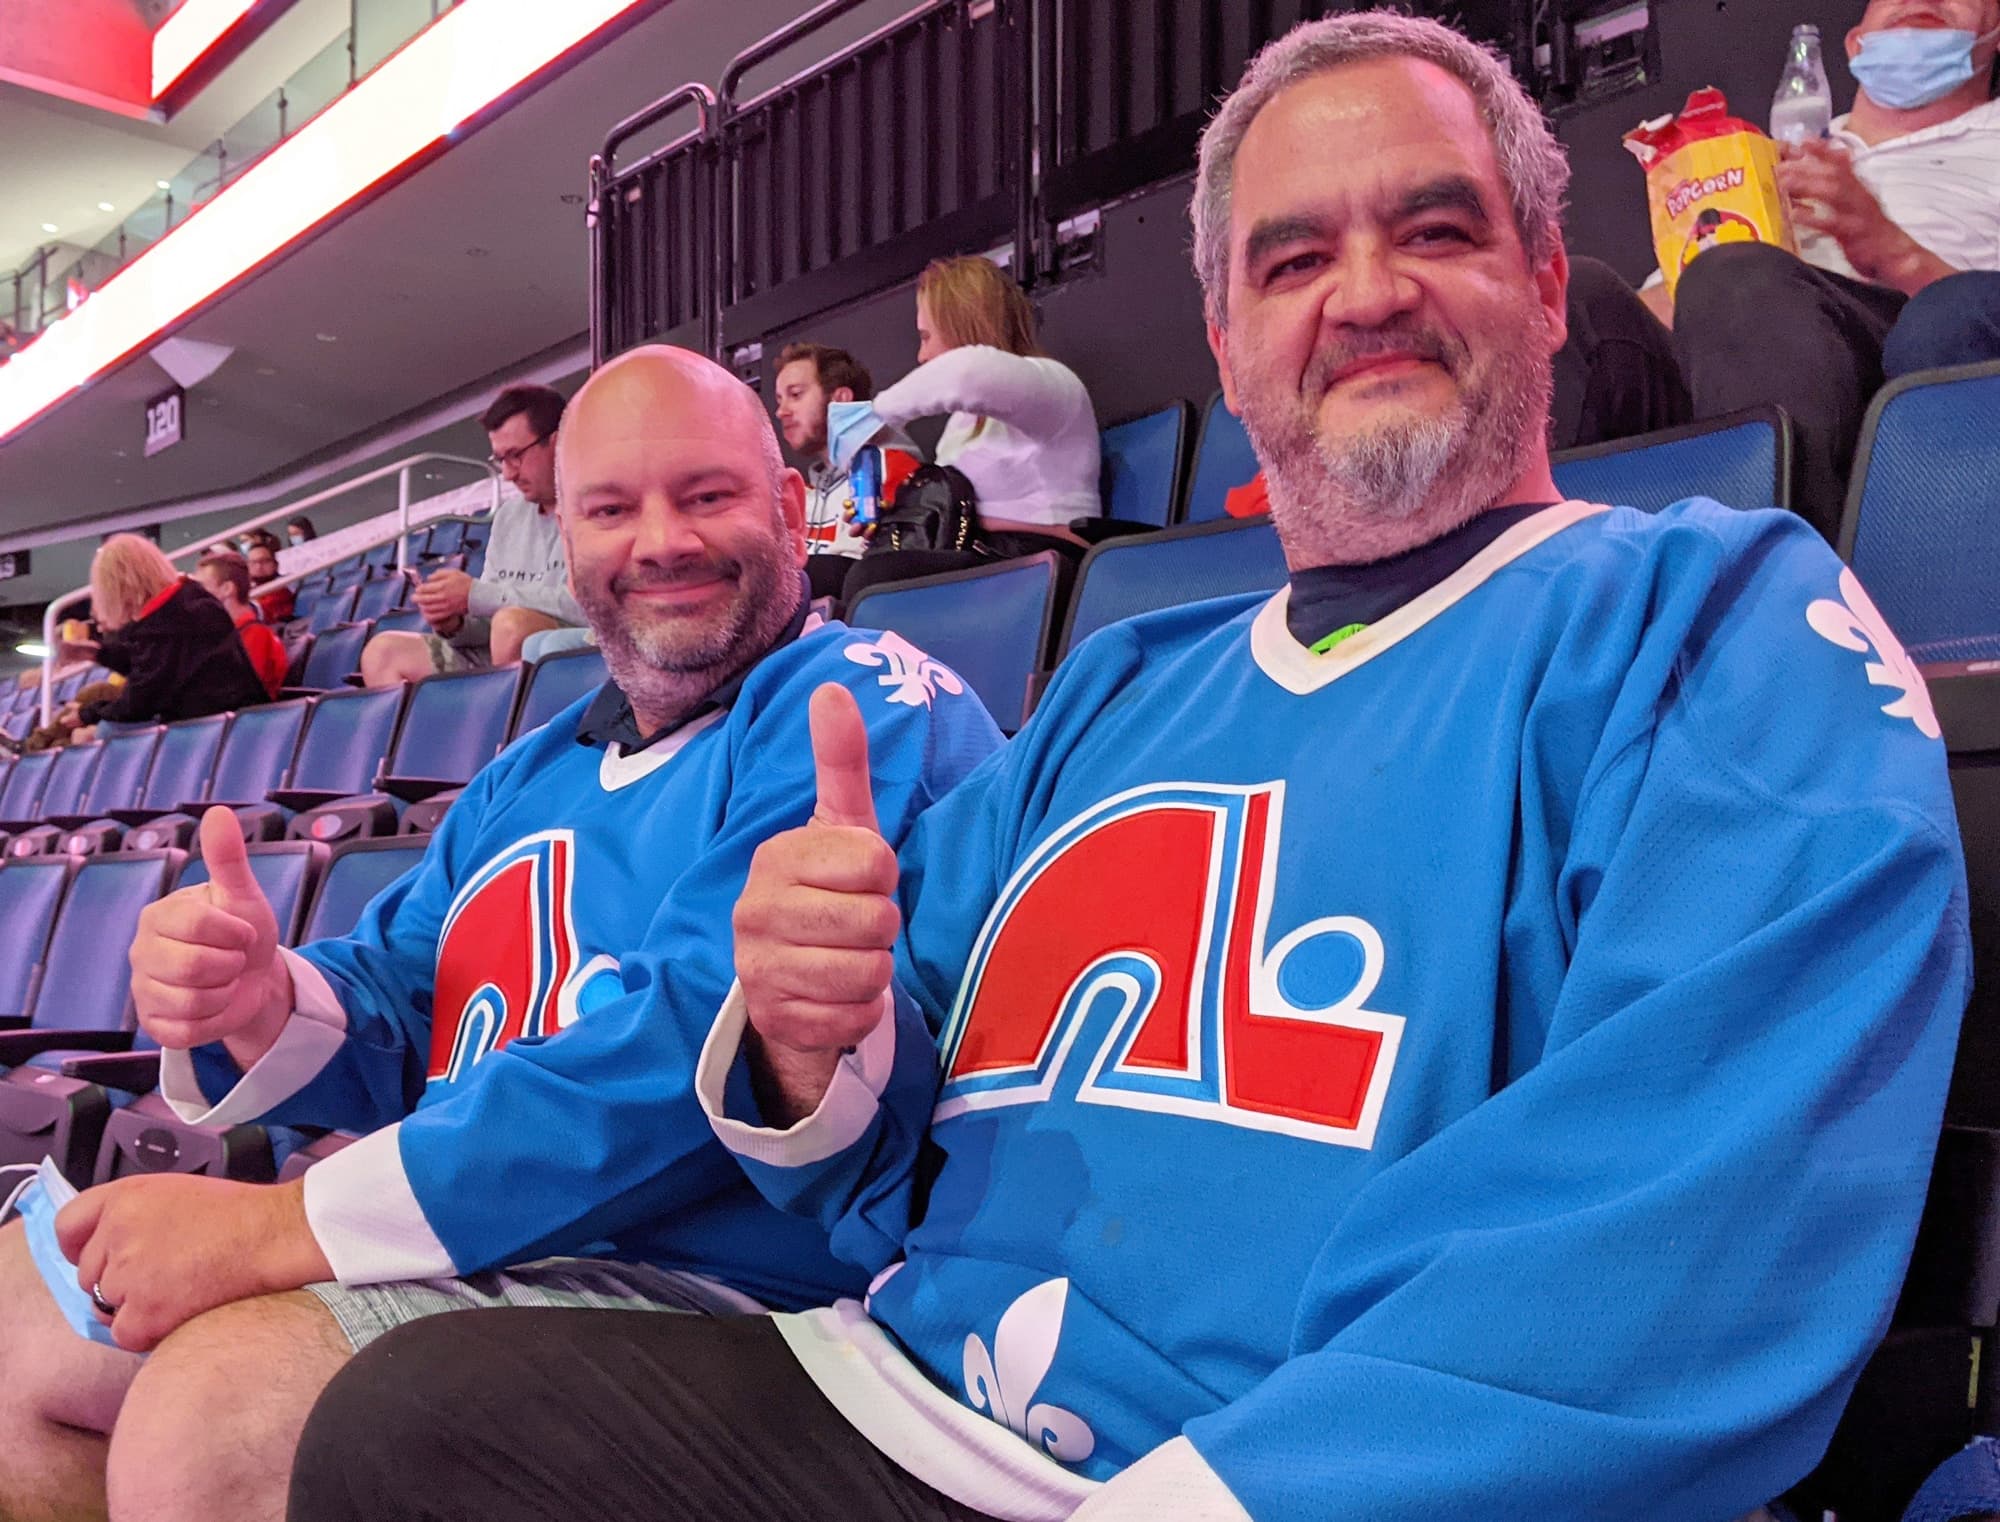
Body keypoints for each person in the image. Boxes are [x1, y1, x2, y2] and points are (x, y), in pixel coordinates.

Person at [293, 14, 1969, 1522]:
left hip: (1302, 1473)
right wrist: (814, 1036)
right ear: (1229, 348)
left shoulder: (1721, 613)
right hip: (912, 1414)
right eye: (1292, 259)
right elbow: (861, 1138)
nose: (1364, 291)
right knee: (401, 1429)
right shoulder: (1115, 689)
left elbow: (1687, 1230)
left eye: (1435, 229)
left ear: (1544, 283)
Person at [0, 347, 1000, 1522]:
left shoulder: (854, 698)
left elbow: (690, 1052)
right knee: (22, 1312)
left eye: (708, 495)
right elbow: (398, 996)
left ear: (788, 507)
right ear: (563, 540)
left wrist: (280, 1228)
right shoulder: (525, 772)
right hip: (494, 1254)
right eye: (611, 509)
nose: (661, 539)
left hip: (737, 1291)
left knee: (219, 1420)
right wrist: (259, 996)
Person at [1658, 0, 2000, 538]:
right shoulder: (1764, 159)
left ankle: (1788, 591)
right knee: (1578, 305)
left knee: (1746, 282)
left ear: (1996, 35)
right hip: (1744, 356)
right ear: (1855, 43)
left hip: (1920, 340)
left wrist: (1893, 250)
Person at [838, 256, 1102, 601]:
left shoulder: (1054, 388)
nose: (921, 355)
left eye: (927, 336)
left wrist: (874, 415)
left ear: (962, 326)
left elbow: (966, 373)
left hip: (1037, 560)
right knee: (825, 575)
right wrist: (897, 518)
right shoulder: (961, 425)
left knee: (874, 578)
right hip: (975, 556)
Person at [358, 385, 588, 683]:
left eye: (516, 455)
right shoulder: (508, 516)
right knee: (383, 651)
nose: (508, 473)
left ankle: (511, 728)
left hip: (565, 649)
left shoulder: (595, 505)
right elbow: (489, 616)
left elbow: (586, 607)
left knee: (512, 624)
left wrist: (477, 595)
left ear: (557, 444)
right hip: (499, 652)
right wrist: (456, 623)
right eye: (501, 459)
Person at [65, 534, 269, 744]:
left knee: (101, 733)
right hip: (229, 720)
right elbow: (149, 664)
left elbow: (140, 701)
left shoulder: (168, 624)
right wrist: (98, 653)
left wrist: (87, 715)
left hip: (214, 729)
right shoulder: (188, 601)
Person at [773, 341, 921, 601]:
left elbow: (859, 576)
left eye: (796, 395)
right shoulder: (802, 495)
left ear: (840, 399)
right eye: (780, 399)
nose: (781, 411)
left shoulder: (891, 468)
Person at [194, 550, 288, 699]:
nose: (196, 596)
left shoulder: (256, 636)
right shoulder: (227, 634)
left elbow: (237, 696)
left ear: (227, 589)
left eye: (202, 588)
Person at [245, 540, 294, 625]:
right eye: (253, 562)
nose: (258, 567)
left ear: (275, 565)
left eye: (264, 561)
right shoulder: (247, 588)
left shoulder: (282, 588)